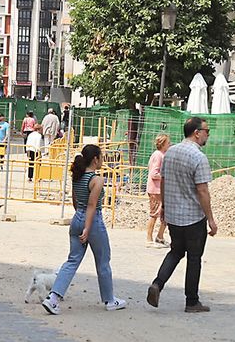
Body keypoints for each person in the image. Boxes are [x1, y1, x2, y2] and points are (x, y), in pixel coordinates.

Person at [42, 144, 126, 315]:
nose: (103, 159)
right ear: (95, 159)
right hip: (93, 221)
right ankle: (110, 299)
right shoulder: (97, 180)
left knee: (72, 261)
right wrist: (87, 228)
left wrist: (81, 222)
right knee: (103, 261)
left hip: (77, 218)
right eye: (101, 157)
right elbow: (92, 205)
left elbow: (76, 201)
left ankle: (53, 298)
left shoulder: (77, 177)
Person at [146, 117, 216, 313]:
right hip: (194, 217)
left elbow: (165, 182)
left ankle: (157, 284)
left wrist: (164, 207)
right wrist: (210, 218)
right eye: (206, 131)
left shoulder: (171, 153)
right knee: (194, 258)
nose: (207, 135)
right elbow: (202, 191)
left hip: (174, 216)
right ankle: (192, 301)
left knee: (176, 252)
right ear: (196, 133)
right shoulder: (199, 158)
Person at [145, 134, 171, 248]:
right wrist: (166, 176)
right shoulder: (158, 155)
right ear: (163, 144)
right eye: (168, 143)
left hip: (162, 189)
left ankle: (160, 236)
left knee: (166, 214)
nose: (169, 144)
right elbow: (154, 174)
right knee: (154, 214)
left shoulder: (162, 155)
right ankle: (149, 239)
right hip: (156, 190)